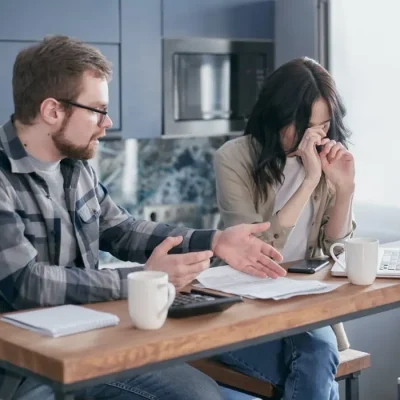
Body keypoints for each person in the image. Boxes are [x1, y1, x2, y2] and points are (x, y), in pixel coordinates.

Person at [0, 36, 287, 400]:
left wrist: (215, 241)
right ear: (52, 111)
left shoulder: (74, 166)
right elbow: (27, 284)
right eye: (98, 110)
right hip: (27, 369)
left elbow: (122, 230)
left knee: (205, 392)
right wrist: (144, 280)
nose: (108, 122)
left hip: (92, 342)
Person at [213, 57, 356, 400]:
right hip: (242, 299)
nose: (314, 137)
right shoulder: (233, 158)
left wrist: (346, 190)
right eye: (304, 125)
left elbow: (335, 248)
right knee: (318, 368)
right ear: (275, 115)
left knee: (318, 357)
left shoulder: (326, 158)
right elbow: (256, 251)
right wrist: (308, 181)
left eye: (322, 126)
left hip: (300, 301)